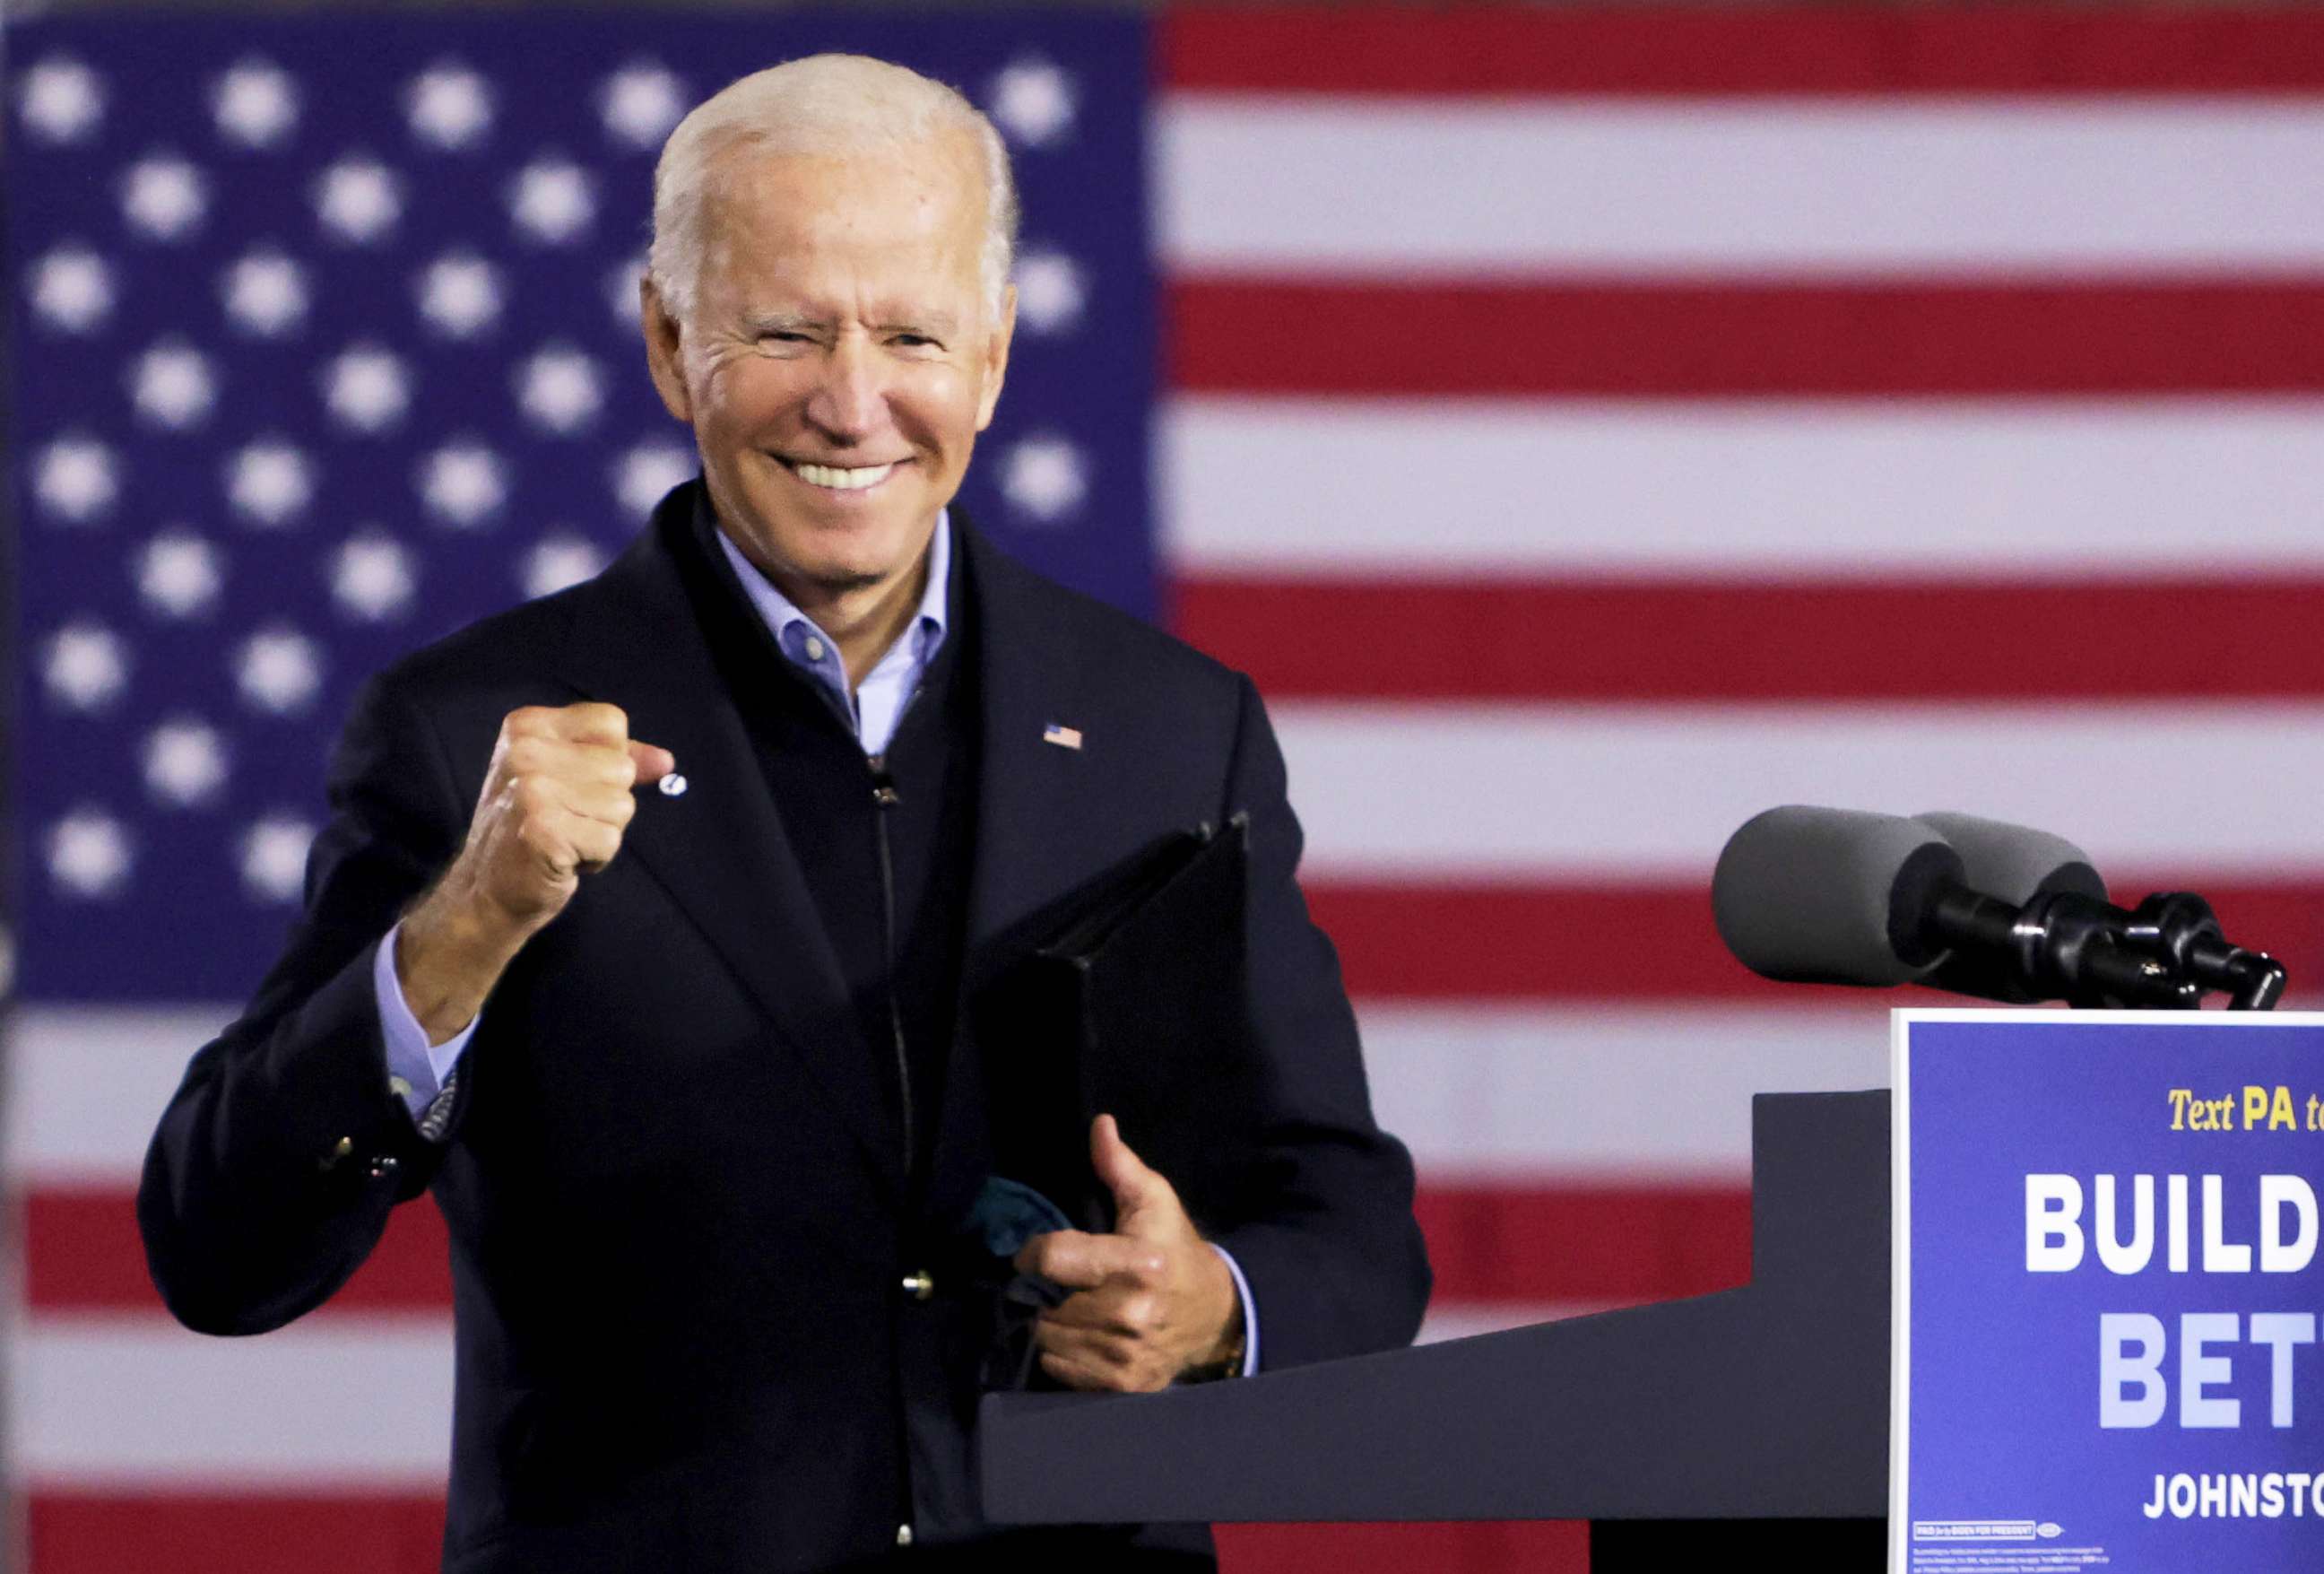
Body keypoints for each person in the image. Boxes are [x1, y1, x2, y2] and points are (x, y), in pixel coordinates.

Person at [138, 53, 1429, 1572]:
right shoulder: (458, 734)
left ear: (996, 357)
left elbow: (1346, 1220)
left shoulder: (1173, 728)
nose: (852, 398)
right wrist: (463, 928)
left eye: (912, 333)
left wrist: (1215, 1309)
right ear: (669, 344)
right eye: (786, 330)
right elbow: (217, 1251)